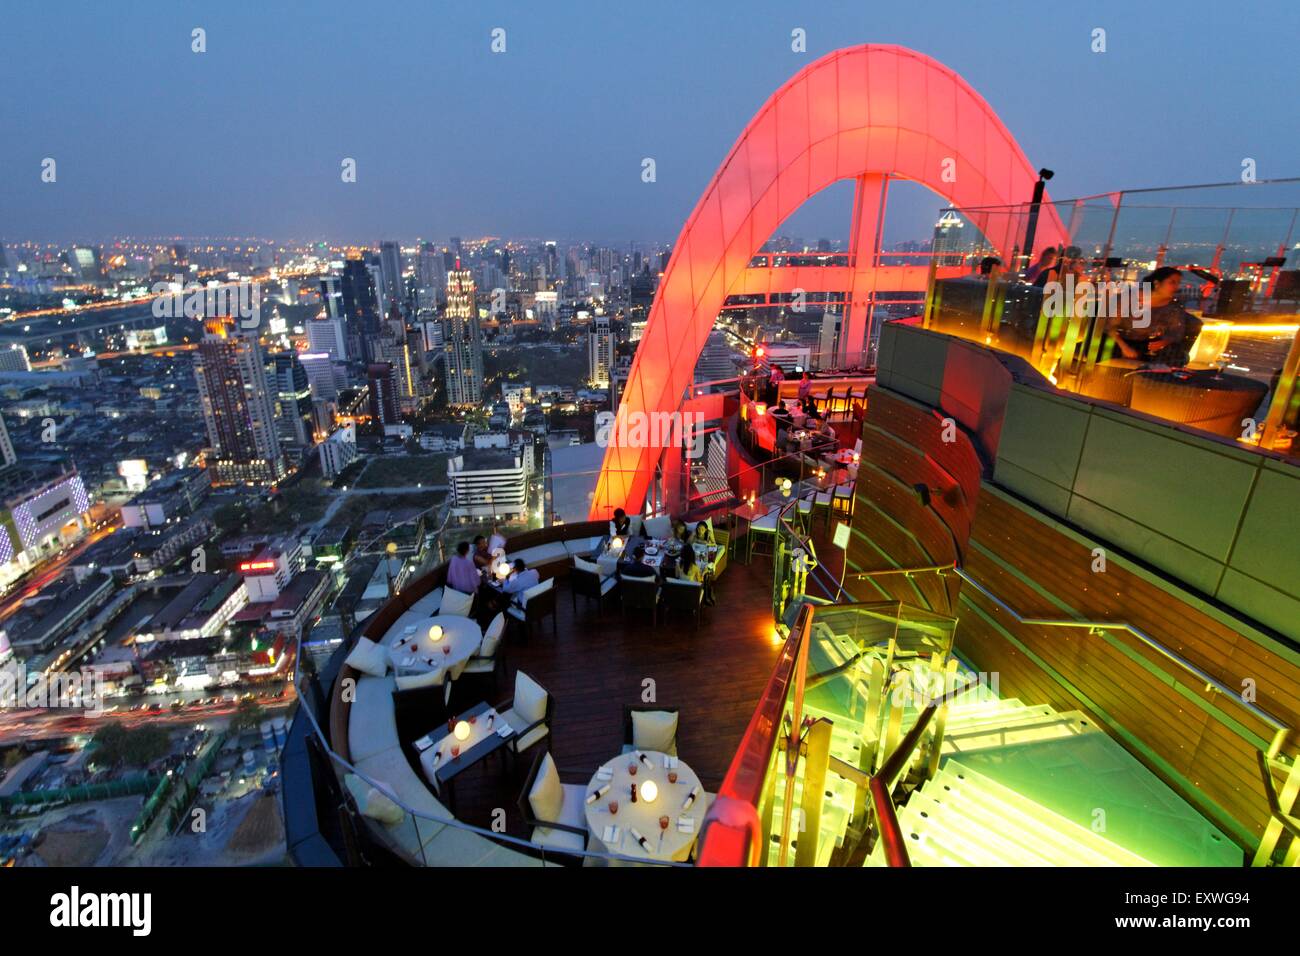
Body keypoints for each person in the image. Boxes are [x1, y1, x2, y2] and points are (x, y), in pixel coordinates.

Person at [1110, 267, 1202, 366]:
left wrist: (1164, 342)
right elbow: (1108, 327)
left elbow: (1176, 332)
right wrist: (1124, 347)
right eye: (1172, 282)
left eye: (1178, 283)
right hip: (1118, 343)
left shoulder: (1173, 307)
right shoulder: (1128, 299)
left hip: (1148, 347)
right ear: (1157, 284)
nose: (1176, 287)